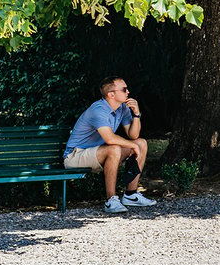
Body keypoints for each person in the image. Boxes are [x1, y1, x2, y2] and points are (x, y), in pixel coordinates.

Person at [63, 76, 157, 213]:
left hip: (97, 152)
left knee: (141, 143)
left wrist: (136, 114)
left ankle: (131, 195)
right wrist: (132, 146)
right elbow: (110, 139)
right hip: (75, 156)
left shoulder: (122, 109)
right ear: (111, 94)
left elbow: (133, 135)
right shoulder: (98, 110)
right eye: (124, 89)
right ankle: (111, 200)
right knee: (114, 149)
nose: (128, 92)